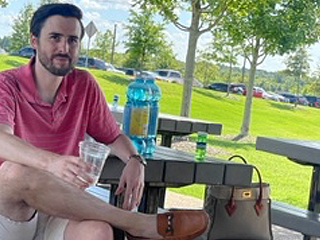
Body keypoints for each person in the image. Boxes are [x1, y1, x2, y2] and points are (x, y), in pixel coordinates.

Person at [0, 3, 209, 240]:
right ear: (34, 41)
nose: (64, 47)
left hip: (57, 203)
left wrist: (134, 159)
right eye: (55, 38)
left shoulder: (83, 85)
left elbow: (112, 136)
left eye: (73, 40)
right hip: (9, 210)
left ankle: (136, 225)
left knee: (97, 232)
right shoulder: (6, 84)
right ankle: (137, 224)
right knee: (15, 172)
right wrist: (52, 163)